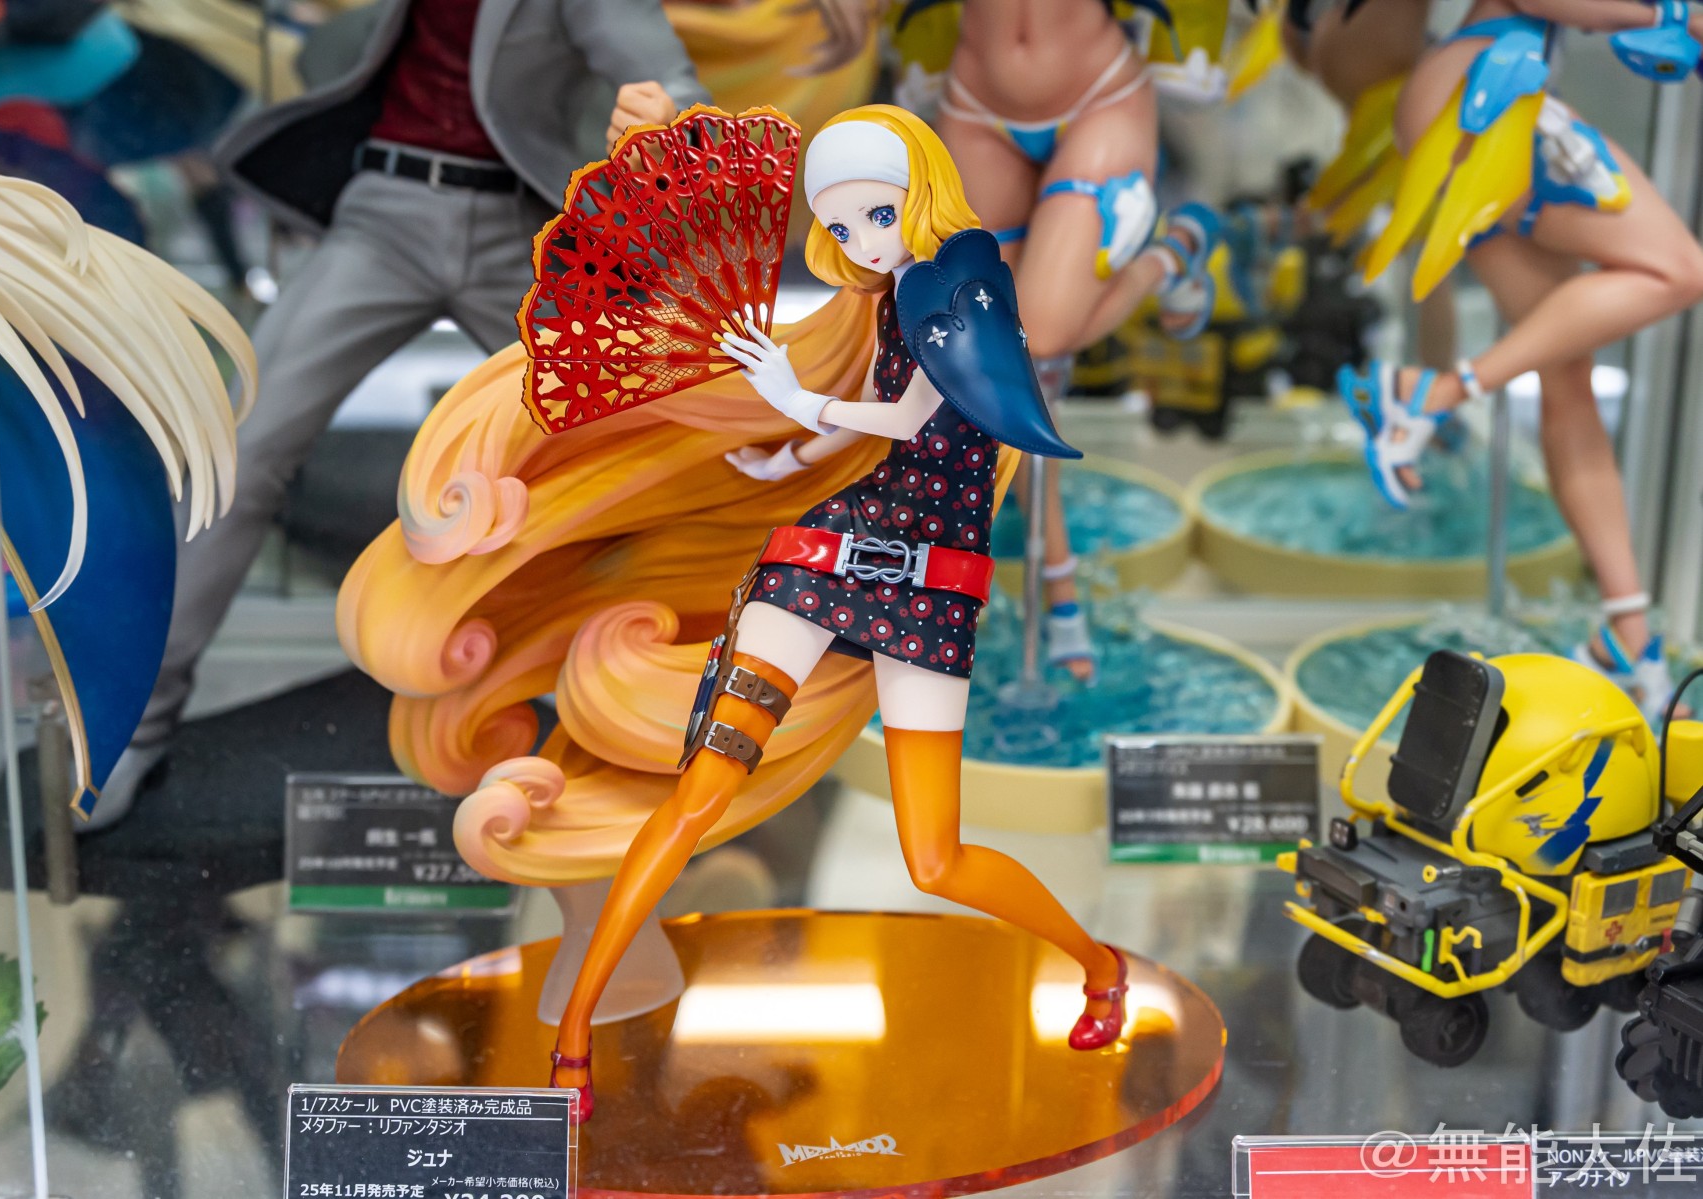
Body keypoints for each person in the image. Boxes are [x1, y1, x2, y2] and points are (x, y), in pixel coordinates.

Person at [357, 103, 1131, 1123]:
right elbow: (877, 421)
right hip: (829, 550)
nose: (860, 241)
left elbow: (914, 413)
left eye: (875, 215)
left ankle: (1098, 965)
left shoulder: (966, 281)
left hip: (934, 587)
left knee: (933, 858)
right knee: (696, 798)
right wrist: (787, 455)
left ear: (919, 192)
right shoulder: (891, 298)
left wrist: (797, 401)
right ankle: (575, 1036)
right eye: (841, 226)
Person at [96, 0, 710, 825]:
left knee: (634, 451)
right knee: (240, 445)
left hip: (516, 223)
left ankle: (659, 698)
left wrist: (665, 122)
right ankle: (132, 722)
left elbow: (670, 81)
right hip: (384, 213)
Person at [804, 0, 1223, 680]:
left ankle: (1174, 254)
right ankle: (1058, 581)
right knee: (992, 362)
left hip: (1099, 94)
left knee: (1044, 335)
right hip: (975, 102)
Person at [1339, 0, 1703, 718]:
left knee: (1566, 375)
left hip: (1480, 103)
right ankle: (1440, 392)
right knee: (1679, 269)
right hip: (1491, 97)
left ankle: (1626, 636)